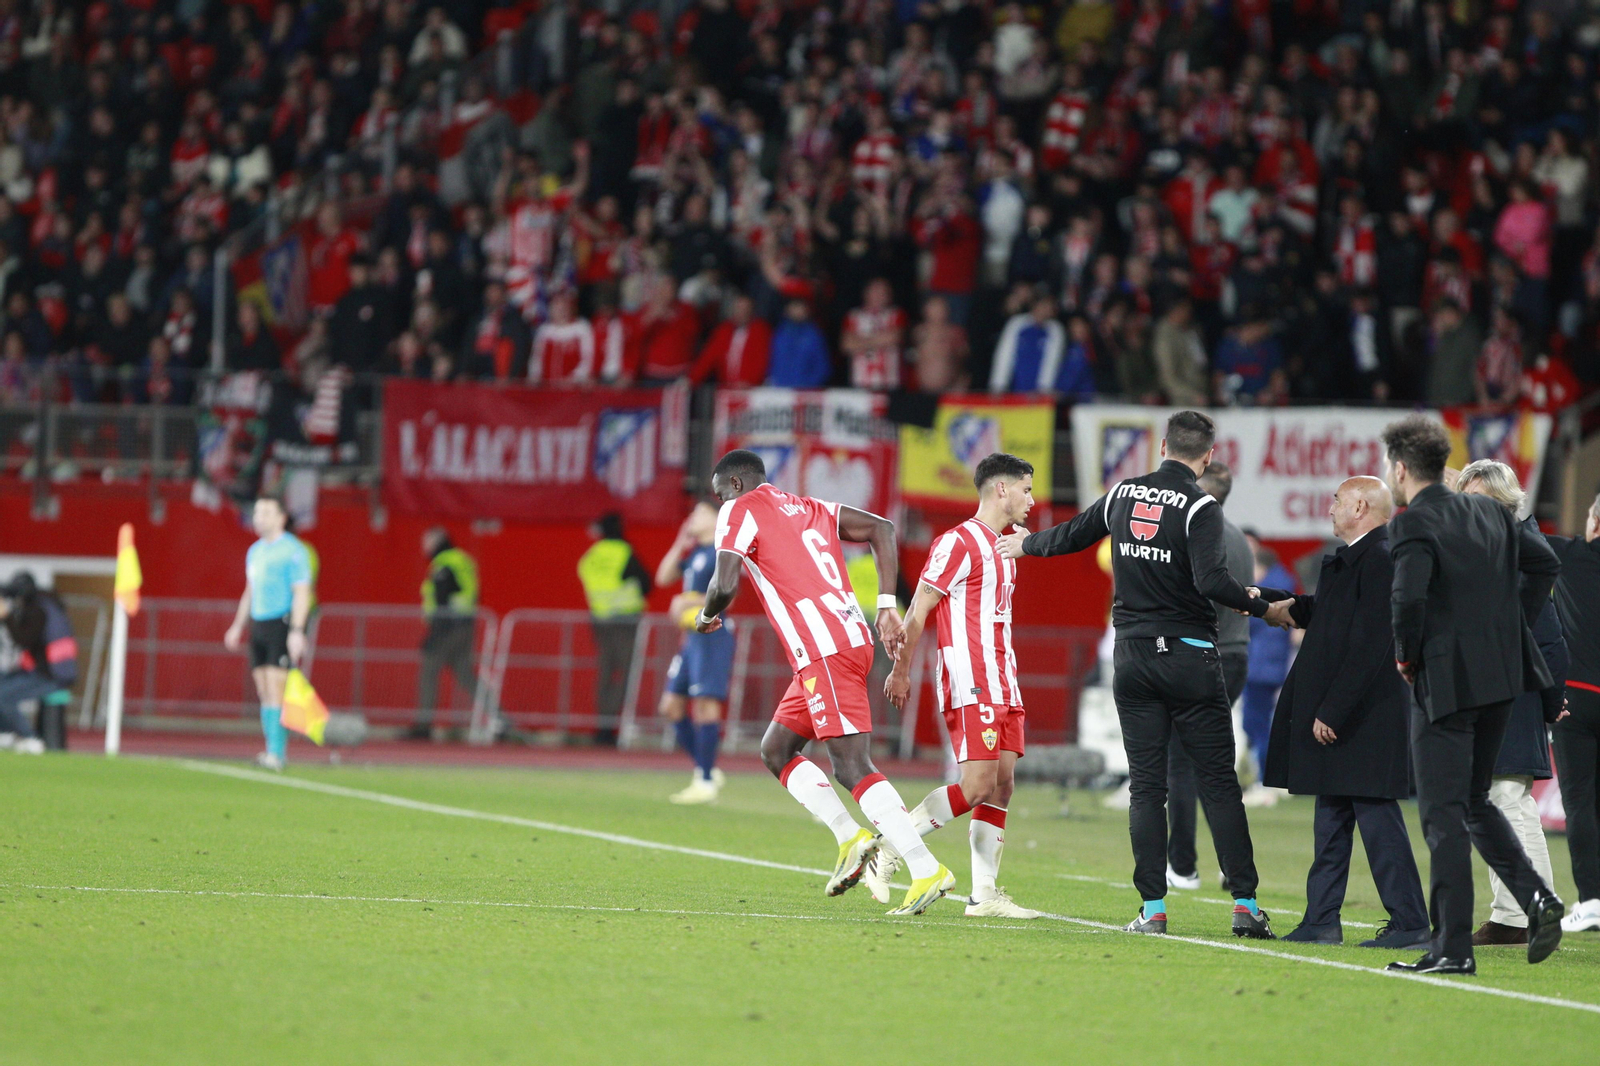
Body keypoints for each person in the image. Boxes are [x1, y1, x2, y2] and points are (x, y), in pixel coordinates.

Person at [998, 411, 1275, 937]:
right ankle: (1244, 904)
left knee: (1147, 788)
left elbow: (1074, 535)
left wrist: (1025, 544)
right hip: (1191, 655)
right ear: (1207, 456)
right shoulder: (1201, 505)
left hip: (1133, 657)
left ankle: (1153, 911)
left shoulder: (1124, 493)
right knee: (1218, 783)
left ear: (1164, 444)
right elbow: (1212, 579)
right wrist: (1256, 604)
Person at [695, 449, 953, 916]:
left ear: (734, 483)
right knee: (776, 750)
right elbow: (883, 528)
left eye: (718, 495)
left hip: (825, 650)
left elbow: (724, 583)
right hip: (840, 644)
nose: (718, 505)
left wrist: (708, 614)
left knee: (852, 766)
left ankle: (925, 867)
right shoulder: (810, 508)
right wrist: (887, 603)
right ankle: (849, 837)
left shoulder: (740, 508)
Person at [1382, 414, 1565, 974]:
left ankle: (1453, 949)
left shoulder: (1414, 522)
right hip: (1504, 680)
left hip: (1448, 681)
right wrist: (1510, 625)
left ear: (1400, 469)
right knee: (1476, 801)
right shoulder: (1490, 514)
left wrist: (1408, 655)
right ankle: (1537, 898)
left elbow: (1409, 601)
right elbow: (1546, 561)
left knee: (1442, 817)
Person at [1254, 477, 1429, 948]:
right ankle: (1321, 920)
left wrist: (1333, 709)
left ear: (1358, 505)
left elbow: (1374, 642)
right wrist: (1268, 603)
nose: (1329, 508)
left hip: (1362, 716)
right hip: (1350, 714)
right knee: (1331, 816)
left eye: (1335, 500)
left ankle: (1411, 923)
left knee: (1376, 817)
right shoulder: (1358, 558)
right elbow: (1333, 615)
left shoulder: (1381, 557)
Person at [874, 452, 1043, 919]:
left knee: (1002, 787)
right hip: (971, 678)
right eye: (1026, 489)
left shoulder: (1008, 547)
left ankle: (984, 895)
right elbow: (919, 610)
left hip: (1005, 678)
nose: (1032, 498)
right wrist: (901, 669)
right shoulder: (958, 542)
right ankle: (891, 846)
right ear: (1001, 489)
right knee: (975, 786)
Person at [1457, 460, 1568, 947]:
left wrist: (1549, 699)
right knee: (1501, 800)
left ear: (1504, 503)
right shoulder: (1502, 546)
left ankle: (1525, 915)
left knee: (1507, 799)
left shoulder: (1523, 551)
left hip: (1514, 692)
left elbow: (1548, 637)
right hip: (1501, 688)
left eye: (1477, 500)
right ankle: (1515, 912)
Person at [1165, 461, 1252, 893]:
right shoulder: (1239, 539)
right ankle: (1233, 866)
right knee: (1215, 764)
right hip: (1236, 657)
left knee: (1179, 762)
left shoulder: (1198, 533)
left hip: (1201, 654)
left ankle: (1182, 867)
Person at [223, 496, 313, 772]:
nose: (259, 517)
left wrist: (297, 630)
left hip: (280, 623)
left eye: (266, 512)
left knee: (276, 686)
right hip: (259, 624)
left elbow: (302, 592)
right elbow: (250, 591)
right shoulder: (255, 551)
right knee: (263, 687)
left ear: (281, 517)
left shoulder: (294, 551)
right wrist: (238, 624)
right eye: (257, 511)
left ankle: (278, 752)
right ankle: (270, 748)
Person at [654, 501, 734, 805]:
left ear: (717, 519)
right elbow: (663, 577)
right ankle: (707, 769)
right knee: (671, 706)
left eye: (700, 513)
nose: (692, 517)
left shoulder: (721, 552)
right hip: (692, 639)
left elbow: (728, 594)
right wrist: (679, 543)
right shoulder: (695, 553)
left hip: (713, 635)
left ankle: (705, 778)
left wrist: (687, 603)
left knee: (705, 705)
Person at [1548, 491, 1600, 934]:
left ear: (1596, 523)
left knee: (1581, 801)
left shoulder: (1569, 555)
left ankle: (1592, 901)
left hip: (1577, 698)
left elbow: (1507, 524)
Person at [578, 512, 652, 747]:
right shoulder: (622, 552)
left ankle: (603, 725)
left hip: (599, 621)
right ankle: (615, 726)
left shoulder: (590, 556)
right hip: (625, 621)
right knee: (628, 673)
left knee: (606, 672)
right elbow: (646, 583)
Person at [410, 527, 482, 741]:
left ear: (436, 541)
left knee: (429, 669)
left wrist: (434, 635)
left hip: (449, 627)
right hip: (465, 624)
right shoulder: (462, 559)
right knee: (466, 676)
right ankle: (501, 721)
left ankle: (424, 725)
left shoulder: (444, 563)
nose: (423, 547)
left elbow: (442, 600)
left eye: (426, 542)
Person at [0, 572, 77, 755]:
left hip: (50, 676)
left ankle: (29, 737)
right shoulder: (45, 605)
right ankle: (6, 733)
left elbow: (24, 639)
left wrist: (6, 617)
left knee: (3, 697)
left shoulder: (38, 610)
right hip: (39, 672)